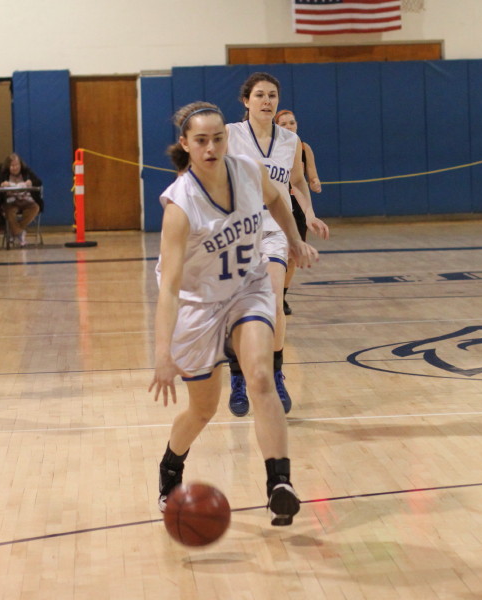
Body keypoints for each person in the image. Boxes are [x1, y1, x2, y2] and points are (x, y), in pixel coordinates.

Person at [149, 101, 318, 526]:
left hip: (247, 288)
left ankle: (279, 483)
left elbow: (277, 198)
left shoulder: (247, 170)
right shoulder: (180, 205)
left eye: (218, 138)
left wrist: (294, 240)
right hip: (198, 305)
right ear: (185, 144)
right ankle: (171, 466)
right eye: (201, 141)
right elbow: (169, 288)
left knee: (261, 377)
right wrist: (162, 353)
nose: (211, 148)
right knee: (203, 409)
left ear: (227, 138)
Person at [224, 72, 329, 418]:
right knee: (237, 309)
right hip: (237, 232)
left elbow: (296, 180)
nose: (267, 101)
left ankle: (276, 374)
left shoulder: (290, 141)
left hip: (275, 229)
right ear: (246, 101)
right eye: (259, 95)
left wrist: (309, 214)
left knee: (272, 301)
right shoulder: (229, 134)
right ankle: (238, 377)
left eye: (272, 95)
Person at [275, 109, 322, 317]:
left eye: (292, 123)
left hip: (296, 205)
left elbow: (309, 176)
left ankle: (282, 296)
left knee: (292, 256)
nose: (289, 127)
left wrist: (315, 182)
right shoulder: (270, 147)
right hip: (275, 204)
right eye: (283, 124)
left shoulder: (303, 147)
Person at [0, 153, 42, 247]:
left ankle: (14, 232)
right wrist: (2, 183)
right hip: (11, 201)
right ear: (8, 166)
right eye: (12, 165)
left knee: (35, 208)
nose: (15, 168)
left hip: (26, 200)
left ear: (20, 165)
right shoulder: (4, 173)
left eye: (16, 165)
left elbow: (38, 182)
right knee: (9, 211)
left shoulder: (26, 172)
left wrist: (30, 182)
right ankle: (20, 233)